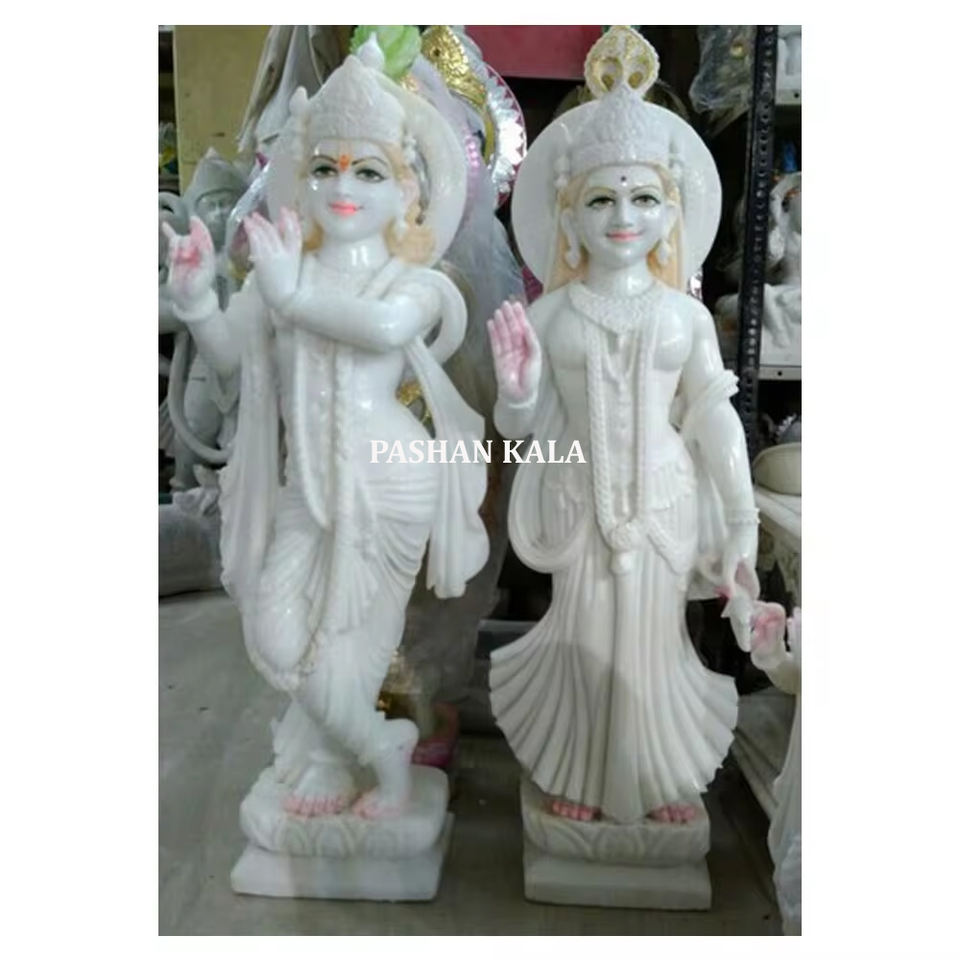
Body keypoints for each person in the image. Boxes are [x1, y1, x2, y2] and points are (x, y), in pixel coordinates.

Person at [163, 39, 488, 819]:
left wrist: (290, 297)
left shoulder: (415, 282)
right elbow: (233, 355)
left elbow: (384, 330)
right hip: (306, 483)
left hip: (390, 480)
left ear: (406, 189)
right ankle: (380, 746)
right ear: (301, 180)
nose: (343, 187)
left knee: (357, 642)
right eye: (324, 169)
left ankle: (357, 766)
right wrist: (198, 300)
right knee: (276, 634)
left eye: (368, 172)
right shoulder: (285, 267)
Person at [488, 26, 759, 826]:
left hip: (665, 501)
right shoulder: (552, 314)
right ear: (568, 216)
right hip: (578, 499)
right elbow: (521, 426)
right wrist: (516, 391)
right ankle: (578, 768)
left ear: (671, 213)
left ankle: (660, 772)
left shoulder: (685, 317)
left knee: (655, 643)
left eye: (643, 199)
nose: (623, 217)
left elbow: (712, 415)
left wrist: (741, 516)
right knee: (585, 637)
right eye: (601, 199)